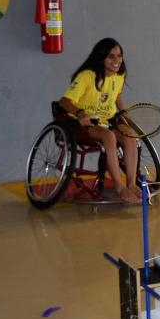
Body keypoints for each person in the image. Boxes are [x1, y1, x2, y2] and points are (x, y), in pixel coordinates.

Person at [57, 38, 141, 204]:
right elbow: (64, 102)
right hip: (84, 124)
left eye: (119, 56)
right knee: (109, 136)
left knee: (130, 135)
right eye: (111, 56)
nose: (117, 61)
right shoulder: (87, 76)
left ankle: (131, 183)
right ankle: (119, 186)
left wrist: (123, 112)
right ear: (101, 57)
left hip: (107, 121)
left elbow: (116, 95)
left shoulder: (119, 75)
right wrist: (80, 113)